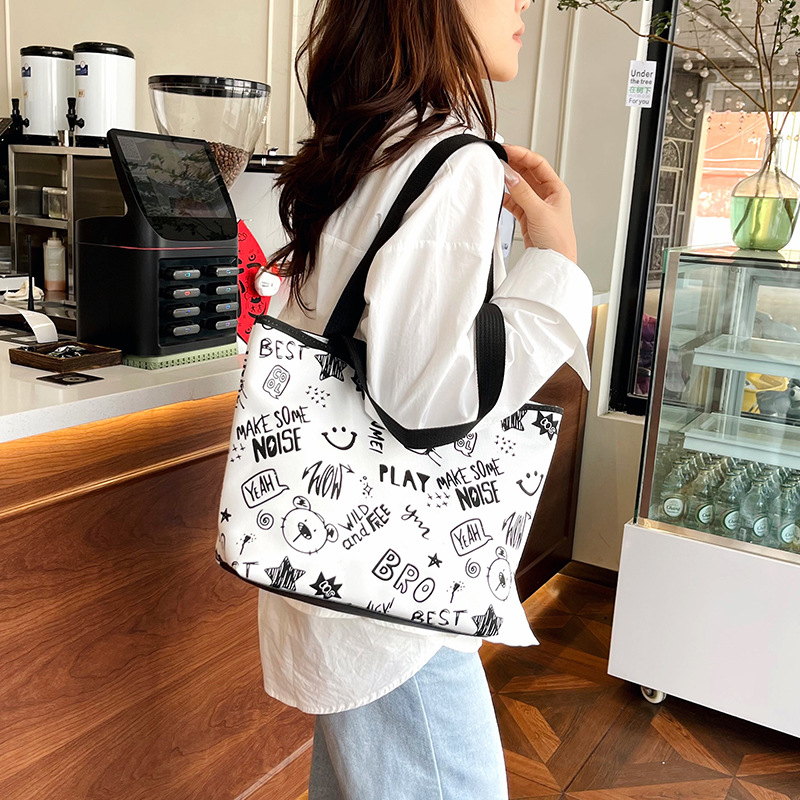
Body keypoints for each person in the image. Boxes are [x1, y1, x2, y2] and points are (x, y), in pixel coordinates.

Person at [254, 1, 593, 797]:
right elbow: (429, 402)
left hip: (345, 560)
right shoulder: (450, 155)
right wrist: (557, 267)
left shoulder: (374, 138)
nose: (525, 3)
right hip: (401, 597)